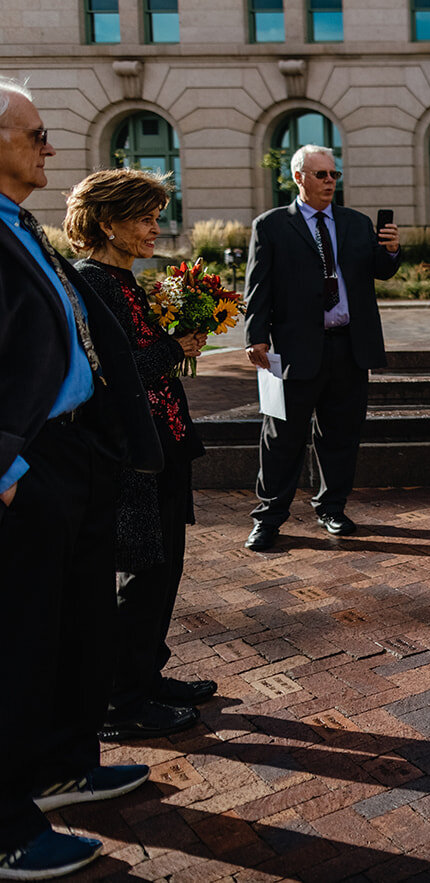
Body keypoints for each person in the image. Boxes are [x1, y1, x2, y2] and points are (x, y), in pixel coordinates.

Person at [0, 76, 162, 880]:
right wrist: (8, 462)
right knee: (21, 643)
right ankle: (6, 824)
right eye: (33, 134)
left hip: (74, 453)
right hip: (26, 461)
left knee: (75, 628)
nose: (49, 147)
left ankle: (64, 767)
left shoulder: (20, 227)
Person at [65, 170, 215, 742]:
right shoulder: (92, 281)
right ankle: (119, 703)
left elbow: (141, 352)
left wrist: (177, 339)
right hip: (131, 454)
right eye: (145, 218)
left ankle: (147, 675)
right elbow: (112, 371)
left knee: (164, 568)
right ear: (108, 223)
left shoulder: (125, 278)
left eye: (157, 216)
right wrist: (174, 348)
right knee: (140, 574)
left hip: (164, 442)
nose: (156, 228)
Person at [244, 145, 401, 550]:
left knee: (341, 436)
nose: (330, 181)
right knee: (281, 438)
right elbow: (258, 287)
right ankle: (269, 518)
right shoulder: (272, 225)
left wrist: (391, 250)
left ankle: (332, 508)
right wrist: (255, 336)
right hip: (294, 351)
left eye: (334, 174)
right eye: (321, 175)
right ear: (299, 178)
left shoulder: (356, 222)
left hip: (350, 348)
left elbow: (379, 272)